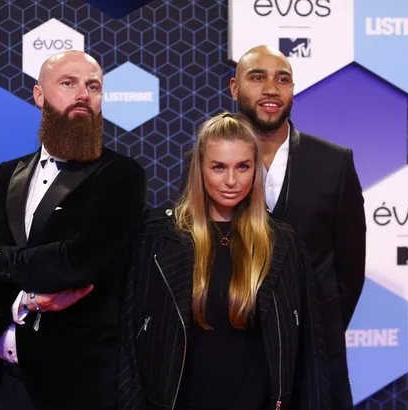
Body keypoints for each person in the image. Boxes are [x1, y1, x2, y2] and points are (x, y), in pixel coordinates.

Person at [0, 50, 146, 410]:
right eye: (68, 83)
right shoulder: (7, 174)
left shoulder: (121, 175)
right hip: (6, 382)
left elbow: (79, 262)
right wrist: (24, 300)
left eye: (93, 86)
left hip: (79, 390)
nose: (83, 94)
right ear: (39, 95)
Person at [118, 113, 330, 410]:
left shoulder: (283, 241)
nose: (231, 181)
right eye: (219, 167)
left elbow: (309, 350)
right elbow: (129, 341)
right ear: (200, 169)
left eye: (243, 167)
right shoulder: (157, 236)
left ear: (256, 170)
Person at [230, 45, 366, 409]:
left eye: (283, 79)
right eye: (257, 77)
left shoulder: (334, 162)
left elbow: (350, 270)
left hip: (315, 358)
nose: (272, 89)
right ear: (234, 88)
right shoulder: (208, 162)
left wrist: (319, 329)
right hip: (231, 354)